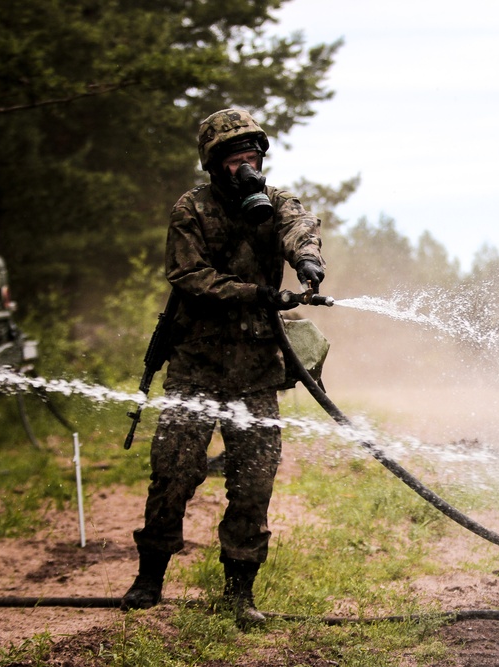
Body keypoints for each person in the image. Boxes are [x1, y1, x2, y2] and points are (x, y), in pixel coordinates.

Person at [120, 108, 326, 627]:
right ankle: (150, 579)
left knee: (253, 484)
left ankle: (239, 594)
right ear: (214, 164)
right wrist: (256, 293)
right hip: (197, 366)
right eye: (236, 159)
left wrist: (307, 261)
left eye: (252, 157)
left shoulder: (277, 202)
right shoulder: (191, 208)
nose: (247, 167)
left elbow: (299, 226)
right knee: (173, 474)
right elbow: (188, 275)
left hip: (256, 371)